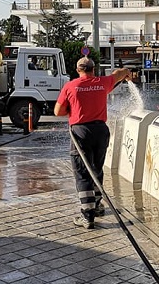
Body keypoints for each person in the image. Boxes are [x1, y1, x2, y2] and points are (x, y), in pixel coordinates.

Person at [54, 57, 132, 229]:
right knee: (96, 168)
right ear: (93, 70)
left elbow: (58, 111)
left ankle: (87, 215)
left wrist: (72, 109)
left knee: (82, 172)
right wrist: (126, 73)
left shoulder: (71, 86)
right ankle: (96, 206)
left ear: (78, 70)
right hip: (101, 131)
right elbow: (118, 74)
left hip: (80, 133)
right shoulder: (102, 83)